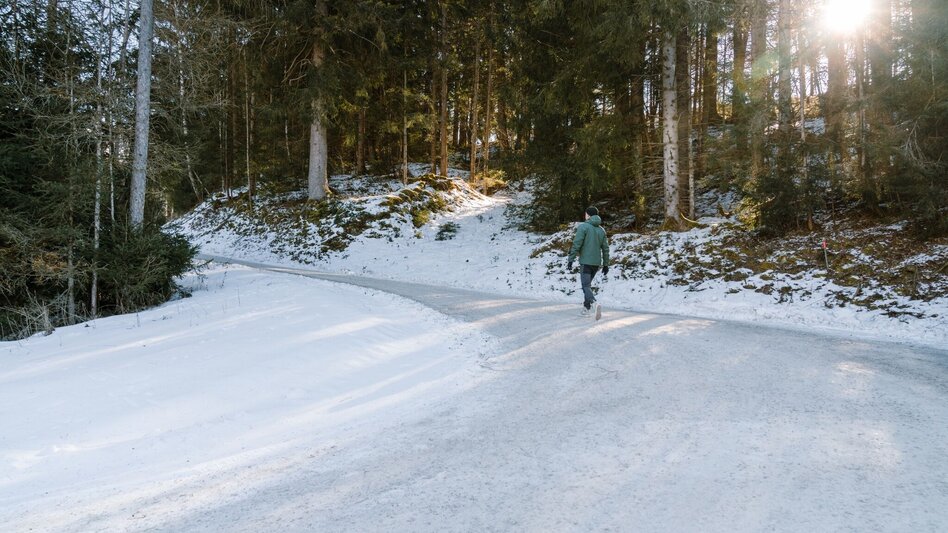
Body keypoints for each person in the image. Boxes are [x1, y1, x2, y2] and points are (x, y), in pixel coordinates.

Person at [567, 206, 610, 317]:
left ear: (588, 215)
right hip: (596, 264)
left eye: (586, 214)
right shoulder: (601, 230)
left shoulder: (584, 227)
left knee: (585, 286)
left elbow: (577, 243)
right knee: (588, 286)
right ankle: (586, 308)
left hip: (586, 262)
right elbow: (605, 249)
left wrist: (571, 259)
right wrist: (606, 264)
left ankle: (594, 303)